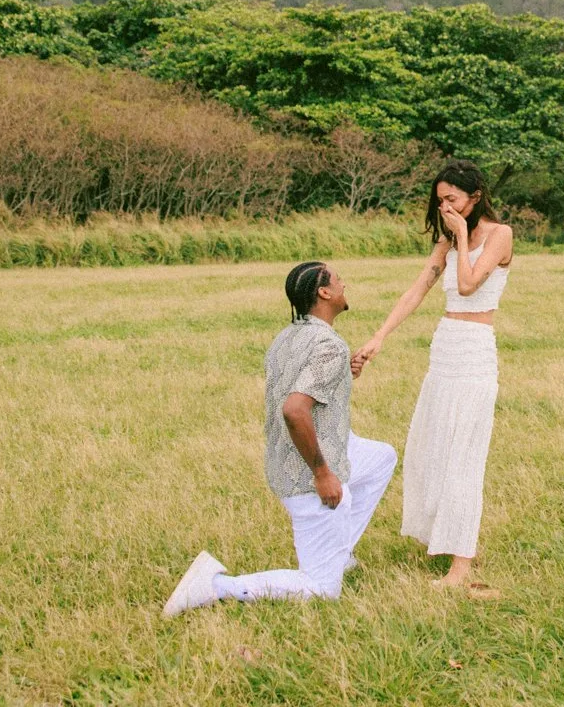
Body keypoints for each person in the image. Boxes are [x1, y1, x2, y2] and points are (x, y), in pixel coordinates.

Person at [163, 261, 396, 614]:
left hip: (285, 463)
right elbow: (294, 411)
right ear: (325, 292)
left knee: (381, 457)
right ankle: (214, 586)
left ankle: (340, 549)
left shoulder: (288, 336)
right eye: (337, 279)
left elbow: (301, 384)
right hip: (309, 477)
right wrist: (323, 475)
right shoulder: (328, 346)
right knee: (321, 589)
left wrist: (341, 372)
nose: (344, 282)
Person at [351, 159, 512, 592]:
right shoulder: (446, 239)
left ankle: (462, 566)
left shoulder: (500, 235)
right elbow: (419, 288)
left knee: (465, 455)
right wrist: (379, 337)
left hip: (476, 353)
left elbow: (468, 286)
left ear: (475, 197)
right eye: (440, 201)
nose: (445, 208)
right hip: (444, 349)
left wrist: (460, 238)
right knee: (432, 446)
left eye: (452, 200)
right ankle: (444, 539)